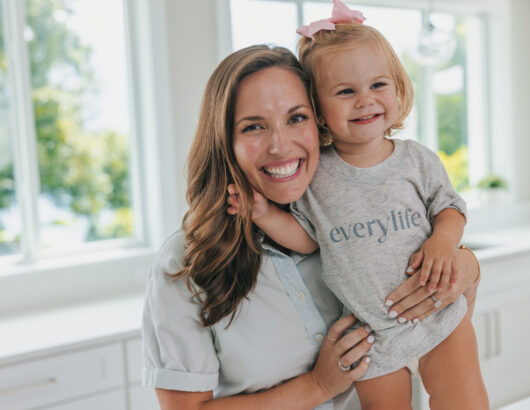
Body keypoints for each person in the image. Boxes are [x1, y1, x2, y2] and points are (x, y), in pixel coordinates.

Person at [142, 44, 482, 410]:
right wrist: (318, 385)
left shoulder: (359, 204)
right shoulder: (187, 262)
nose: (280, 145)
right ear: (225, 140)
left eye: (296, 118)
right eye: (254, 126)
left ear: (319, 119)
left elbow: (432, 331)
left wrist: (468, 268)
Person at [226, 2, 488, 409]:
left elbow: (450, 207)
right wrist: (262, 214)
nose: (365, 100)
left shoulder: (416, 159)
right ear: (317, 110)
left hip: (439, 319)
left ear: (398, 87)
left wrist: (444, 242)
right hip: (373, 338)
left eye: (378, 85)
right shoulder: (314, 179)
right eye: (346, 92)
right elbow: (309, 241)